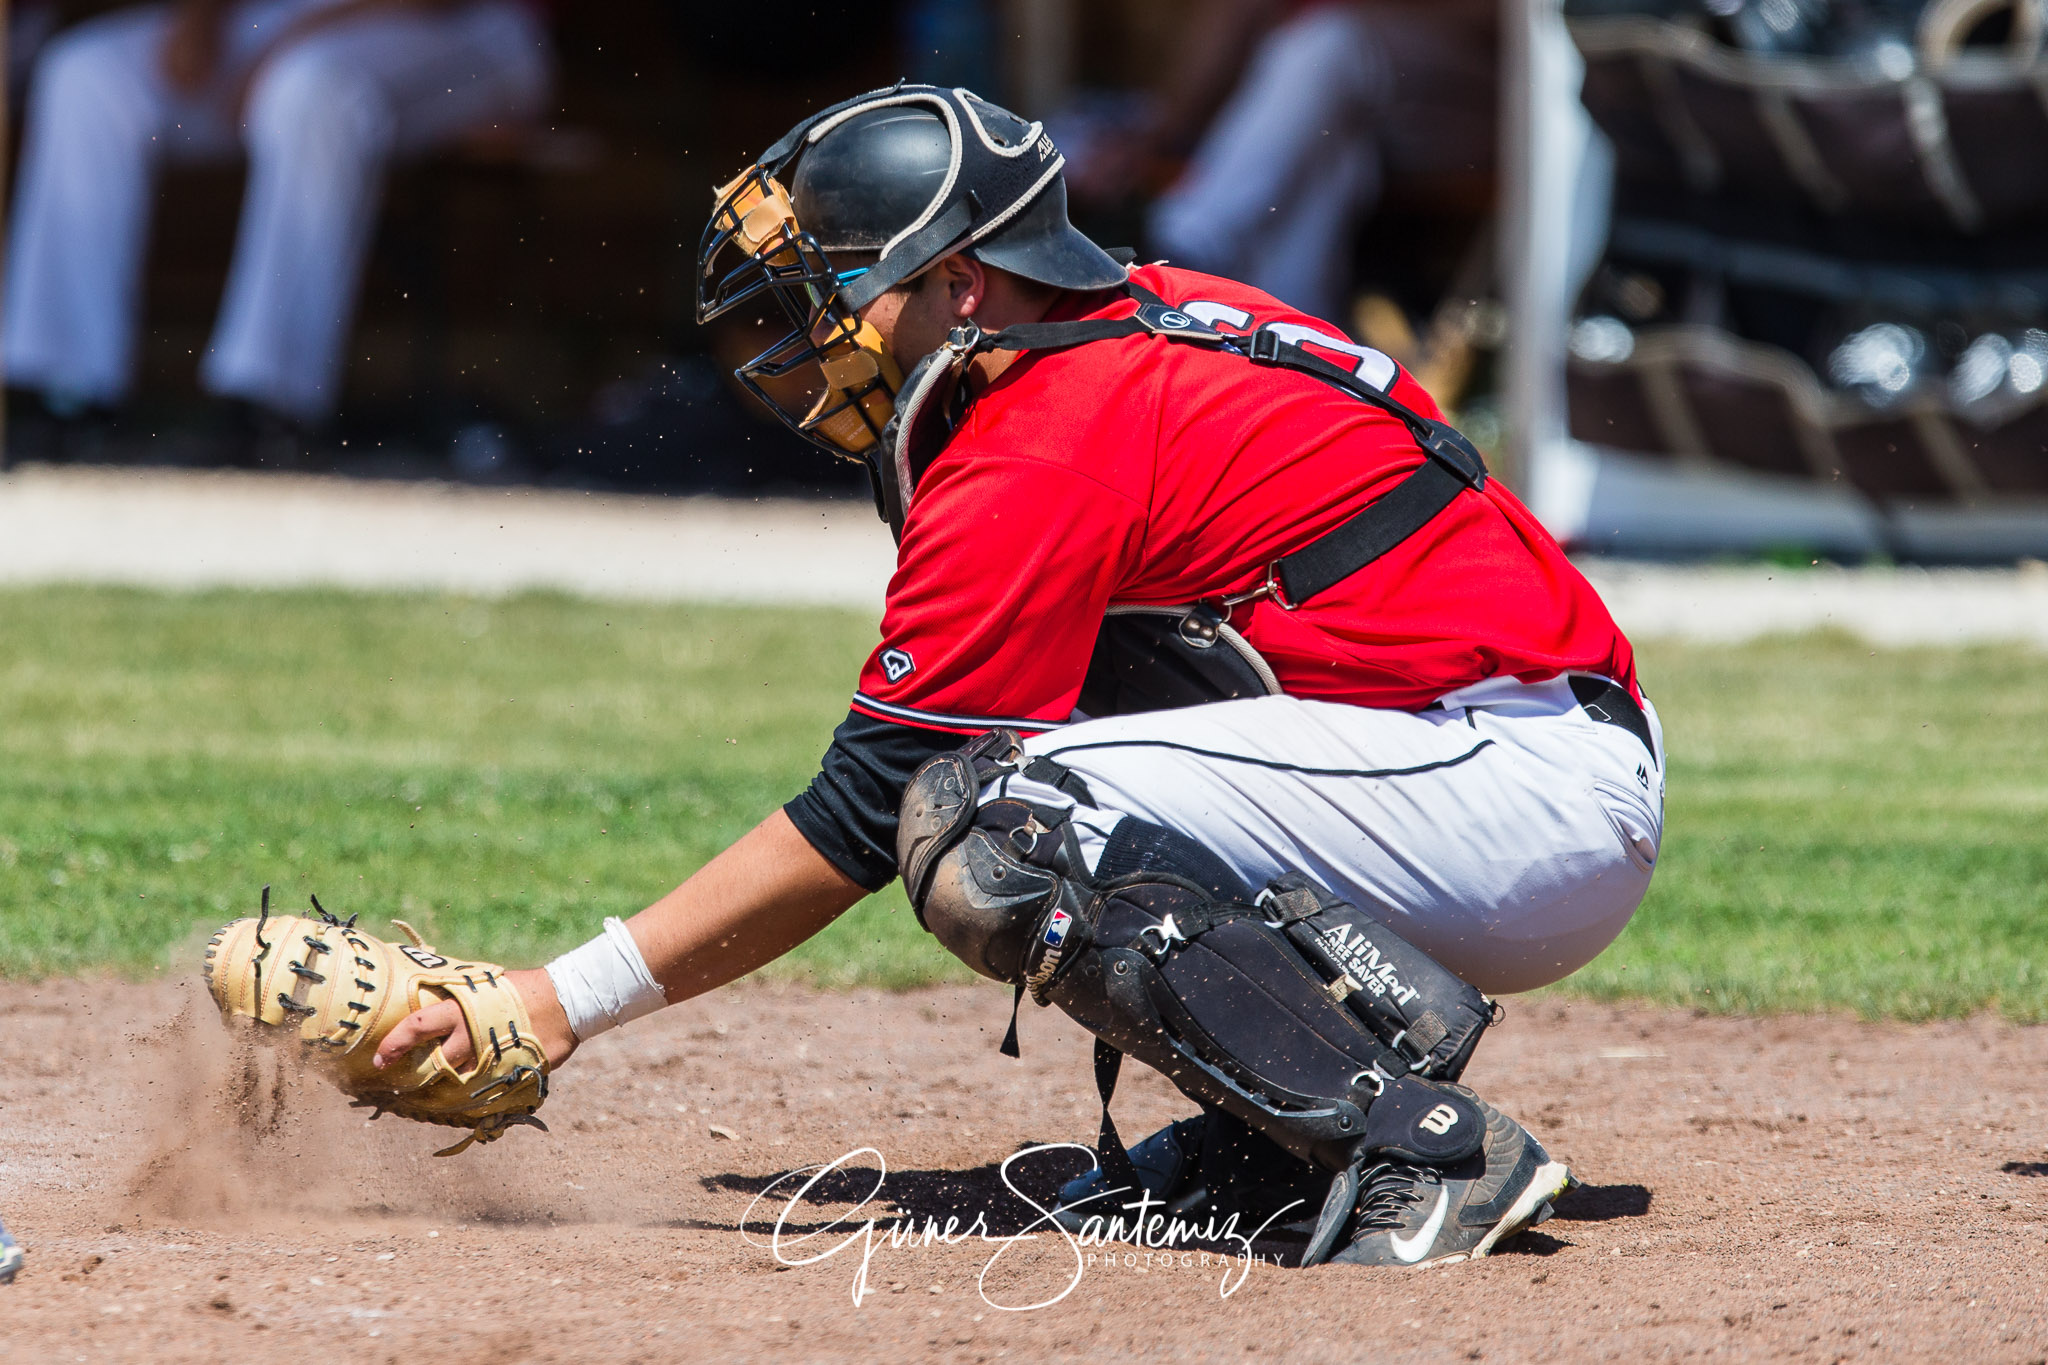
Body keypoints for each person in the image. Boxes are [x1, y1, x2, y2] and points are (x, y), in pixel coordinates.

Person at [376, 85, 1664, 1268]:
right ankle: (1278, 1134)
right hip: (1484, 754)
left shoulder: (1044, 438)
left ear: (964, 283)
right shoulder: (1135, 319)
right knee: (1061, 715)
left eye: (843, 288)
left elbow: (861, 806)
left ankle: (1414, 1145)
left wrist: (557, 1001)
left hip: (1509, 784)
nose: (816, 331)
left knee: (990, 818)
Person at [2, 0, 552, 432]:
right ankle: (64, 384)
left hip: (465, 29)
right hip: (281, 18)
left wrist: (283, 45)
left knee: (310, 89)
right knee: (86, 74)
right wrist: (199, 18)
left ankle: (270, 398)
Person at [1076, 0, 1496, 326]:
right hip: (1354, 114)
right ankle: (1296, 343)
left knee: (1329, 40)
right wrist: (1153, 136)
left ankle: (1186, 244)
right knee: (1331, 155)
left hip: (1484, 100)